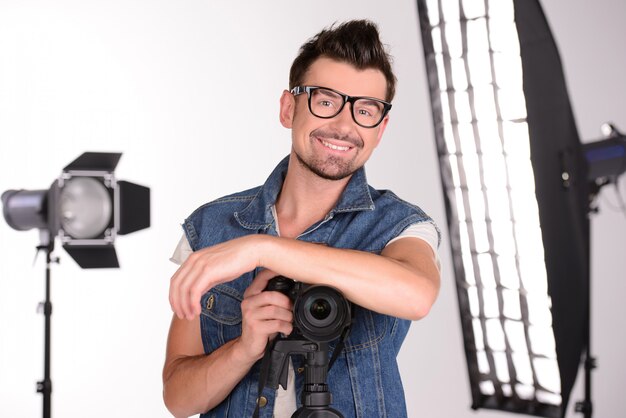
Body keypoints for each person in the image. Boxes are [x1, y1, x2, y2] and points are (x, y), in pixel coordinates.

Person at [163, 19, 441, 418]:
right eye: (326, 101)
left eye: (365, 110)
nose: (345, 126)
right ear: (288, 107)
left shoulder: (400, 226)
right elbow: (178, 398)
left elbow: (417, 295)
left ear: (380, 129)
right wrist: (244, 349)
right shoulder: (211, 229)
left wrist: (261, 248)